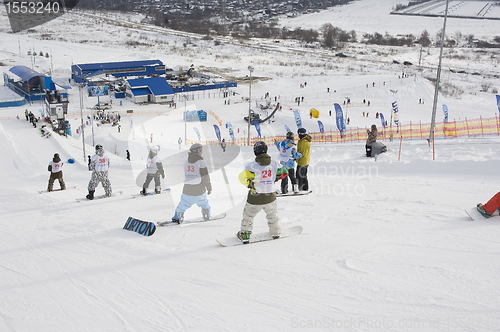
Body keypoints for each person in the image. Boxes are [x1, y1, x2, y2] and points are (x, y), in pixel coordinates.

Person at [236, 141, 288, 243]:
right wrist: (274, 179)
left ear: (255, 152)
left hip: (255, 197)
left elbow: (241, 177)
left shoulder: (252, 166)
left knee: (248, 216)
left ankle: (245, 235)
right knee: (272, 215)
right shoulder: (274, 163)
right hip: (270, 196)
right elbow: (284, 172)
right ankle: (276, 232)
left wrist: (251, 184)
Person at [171, 143, 212, 223]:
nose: (201, 152)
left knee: (183, 204)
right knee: (204, 203)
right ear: (195, 152)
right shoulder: (201, 162)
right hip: (199, 190)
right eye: (200, 150)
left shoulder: (186, 162)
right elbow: (205, 177)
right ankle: (206, 214)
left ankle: (178, 217)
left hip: (187, 190)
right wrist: (209, 187)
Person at [296, 128, 311, 192]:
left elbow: (301, 153)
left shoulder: (304, 142)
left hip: (302, 161)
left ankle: (301, 188)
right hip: (304, 160)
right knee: (303, 174)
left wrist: (295, 157)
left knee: (300, 175)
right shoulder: (303, 141)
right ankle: (305, 187)